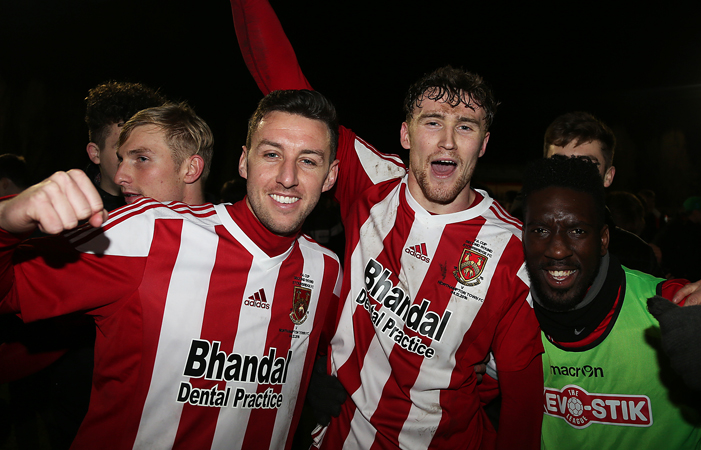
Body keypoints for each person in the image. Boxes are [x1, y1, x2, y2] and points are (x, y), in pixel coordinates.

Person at [231, 4, 543, 449]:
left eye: (466, 126)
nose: (447, 141)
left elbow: (523, 402)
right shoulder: (373, 181)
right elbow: (284, 84)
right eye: (432, 122)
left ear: (484, 143)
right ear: (405, 134)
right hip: (339, 433)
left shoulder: (513, 251)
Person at [0, 89, 342, 450]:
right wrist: (6, 221)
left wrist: (316, 375)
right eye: (271, 154)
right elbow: (9, 291)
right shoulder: (149, 232)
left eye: (308, 160)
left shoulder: (327, 271)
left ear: (330, 175)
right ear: (244, 163)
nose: (287, 177)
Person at [524, 155, 701, 449]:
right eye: (540, 230)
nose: (556, 249)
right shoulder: (508, 305)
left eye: (577, 230)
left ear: (604, 239)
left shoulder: (669, 302)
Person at [543, 111, 661, 276]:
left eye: (585, 165)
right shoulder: (518, 242)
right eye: (558, 163)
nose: (570, 175)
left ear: (608, 176)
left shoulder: (637, 256)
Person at [84, 81, 166, 211]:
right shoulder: (67, 216)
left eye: (145, 154)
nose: (138, 160)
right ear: (95, 153)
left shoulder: (195, 208)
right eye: (121, 151)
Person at [114, 102, 213, 205]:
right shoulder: (109, 219)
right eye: (121, 160)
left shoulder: (228, 218)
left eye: (142, 159)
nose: (118, 178)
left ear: (191, 169)